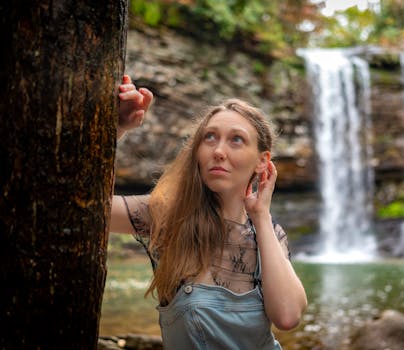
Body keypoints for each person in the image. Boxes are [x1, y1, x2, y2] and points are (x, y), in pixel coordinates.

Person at [110, 75, 307, 349]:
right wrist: (117, 129)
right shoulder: (165, 215)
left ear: (262, 162)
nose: (218, 151)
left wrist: (261, 215)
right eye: (210, 137)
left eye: (236, 140)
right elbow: (86, 206)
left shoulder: (268, 233)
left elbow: (287, 316)